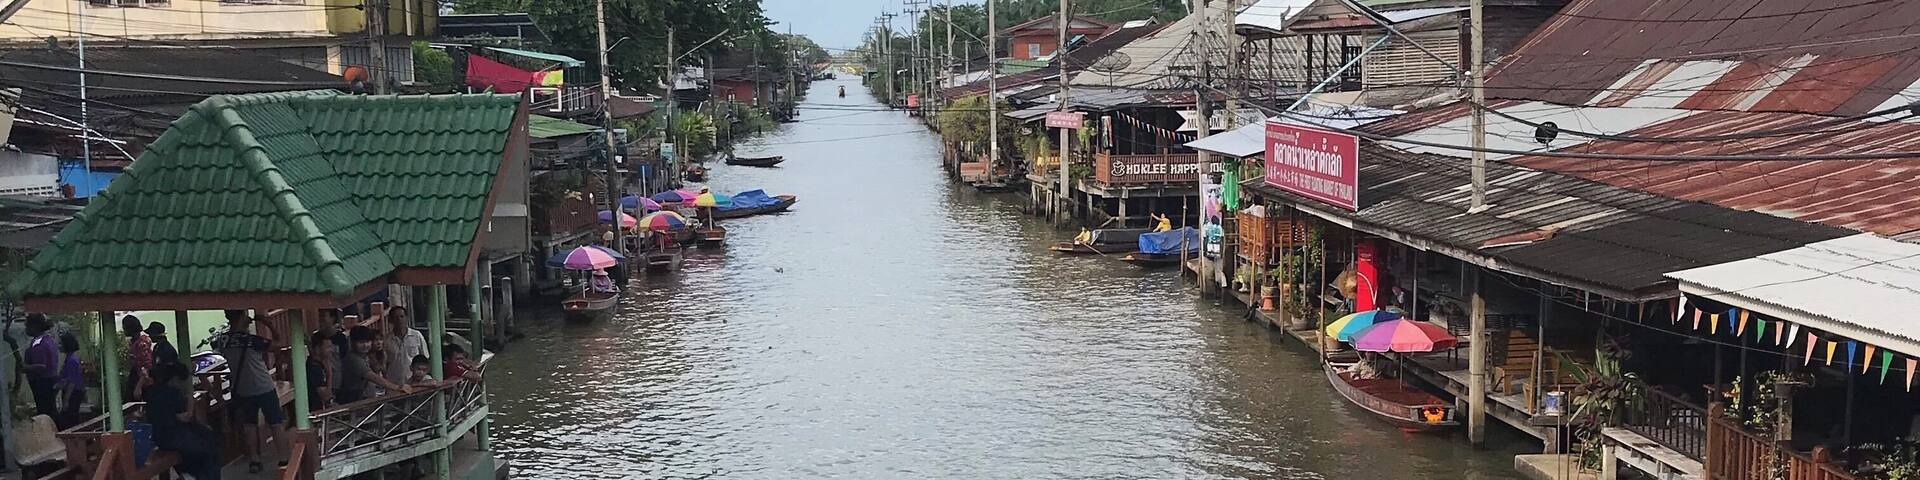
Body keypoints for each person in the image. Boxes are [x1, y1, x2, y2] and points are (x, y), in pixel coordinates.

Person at [211, 309, 283, 474]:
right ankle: (284, 459)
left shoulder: (222, 340)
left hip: (241, 389)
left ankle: (254, 460)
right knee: (275, 422)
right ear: (241, 317)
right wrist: (269, 324)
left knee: (249, 424)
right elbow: (278, 345)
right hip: (263, 387)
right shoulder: (252, 340)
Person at [144, 362, 221, 480]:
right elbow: (186, 417)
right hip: (176, 436)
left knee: (203, 443)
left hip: (160, 437)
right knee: (209, 450)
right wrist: (190, 399)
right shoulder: (173, 393)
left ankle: (189, 475)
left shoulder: (150, 392)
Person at [339, 326, 409, 404]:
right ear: (352, 342)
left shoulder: (367, 357)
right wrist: (397, 387)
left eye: (368, 341)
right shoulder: (353, 359)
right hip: (353, 400)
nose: (365, 345)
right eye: (361, 342)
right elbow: (373, 377)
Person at [22, 314, 60, 422]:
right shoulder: (48, 339)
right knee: (50, 411)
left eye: (27, 326)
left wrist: (25, 367)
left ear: (34, 327)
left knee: (45, 413)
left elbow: (42, 366)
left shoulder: (39, 344)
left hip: (43, 382)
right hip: (50, 380)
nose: (25, 329)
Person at [383, 306, 427, 393]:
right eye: (395, 317)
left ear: (406, 318)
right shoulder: (386, 340)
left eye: (401, 316)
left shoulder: (416, 335)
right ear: (390, 320)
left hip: (415, 384)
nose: (399, 320)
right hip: (394, 385)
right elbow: (384, 363)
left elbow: (425, 358)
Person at [54, 333, 84, 428]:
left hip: (73, 393)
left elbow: (72, 382)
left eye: (61, 343)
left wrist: (66, 400)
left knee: (69, 419)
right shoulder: (71, 359)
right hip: (72, 392)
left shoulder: (71, 361)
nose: (59, 346)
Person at [121, 315, 153, 402]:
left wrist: (139, 386)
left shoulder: (142, 343)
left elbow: (147, 365)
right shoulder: (135, 342)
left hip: (144, 380)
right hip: (137, 375)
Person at [306, 331, 334, 410]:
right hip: (315, 410)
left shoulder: (320, 365)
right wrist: (329, 373)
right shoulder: (314, 369)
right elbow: (326, 396)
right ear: (317, 349)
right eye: (328, 347)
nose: (331, 350)